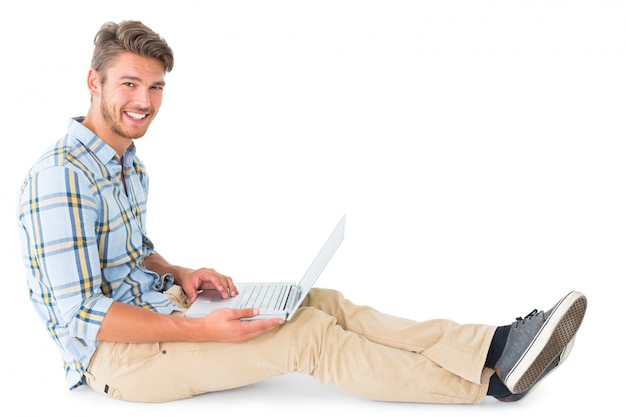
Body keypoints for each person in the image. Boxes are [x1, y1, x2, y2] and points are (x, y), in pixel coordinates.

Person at [16, 20, 587, 404]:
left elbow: (134, 252)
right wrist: (205, 334)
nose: (144, 101)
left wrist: (182, 276)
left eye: (157, 87)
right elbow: (83, 314)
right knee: (308, 337)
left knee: (321, 302)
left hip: (161, 306)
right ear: (95, 82)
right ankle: (491, 384)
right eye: (130, 84)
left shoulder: (126, 163)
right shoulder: (60, 177)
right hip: (119, 358)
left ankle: (495, 343)